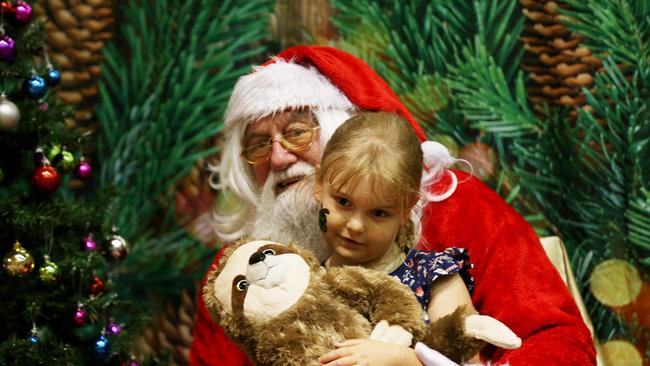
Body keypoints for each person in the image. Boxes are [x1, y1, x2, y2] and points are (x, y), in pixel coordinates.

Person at [190, 45, 596, 365]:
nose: (278, 159)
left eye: (297, 132)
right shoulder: (242, 271)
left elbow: (556, 340)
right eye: (259, 145)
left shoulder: (459, 208)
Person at [315, 111, 501, 365]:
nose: (356, 225)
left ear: (406, 209)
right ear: (319, 186)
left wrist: (405, 360)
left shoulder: (434, 275)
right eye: (343, 202)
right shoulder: (306, 281)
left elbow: (469, 363)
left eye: (379, 213)